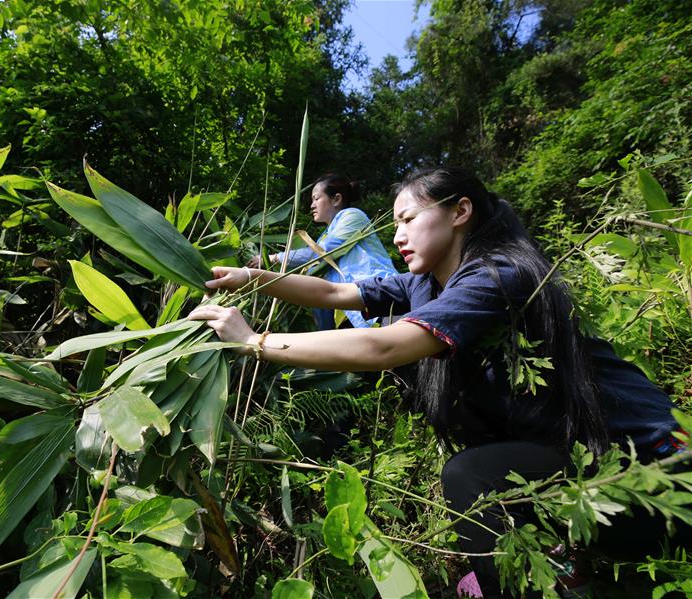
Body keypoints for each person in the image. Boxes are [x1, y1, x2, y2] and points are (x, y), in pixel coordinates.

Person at [190, 167, 688, 598]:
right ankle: (567, 566)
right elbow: (334, 288)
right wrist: (248, 278)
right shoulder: (423, 285)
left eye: (407, 219)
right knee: (480, 469)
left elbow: (382, 347)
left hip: (656, 467)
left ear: (460, 211)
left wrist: (255, 341)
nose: (398, 233)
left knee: (471, 476)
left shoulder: (499, 276)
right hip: (593, 465)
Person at [248, 173, 397, 329]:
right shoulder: (325, 235)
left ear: (336, 199)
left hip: (379, 297)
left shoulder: (352, 216)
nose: (312, 205)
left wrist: (273, 258)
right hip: (352, 312)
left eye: (316, 198)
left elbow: (320, 254)